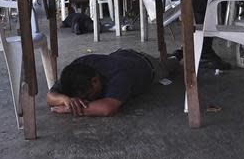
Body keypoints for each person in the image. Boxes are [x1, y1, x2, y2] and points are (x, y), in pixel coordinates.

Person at [47, 49, 180, 116]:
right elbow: (50, 97)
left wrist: (70, 109)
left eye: (88, 96)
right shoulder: (77, 69)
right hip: (123, 55)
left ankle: (179, 53)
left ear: (95, 81)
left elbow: (107, 108)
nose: (87, 101)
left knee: (172, 64)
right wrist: (65, 99)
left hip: (149, 66)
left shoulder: (119, 75)